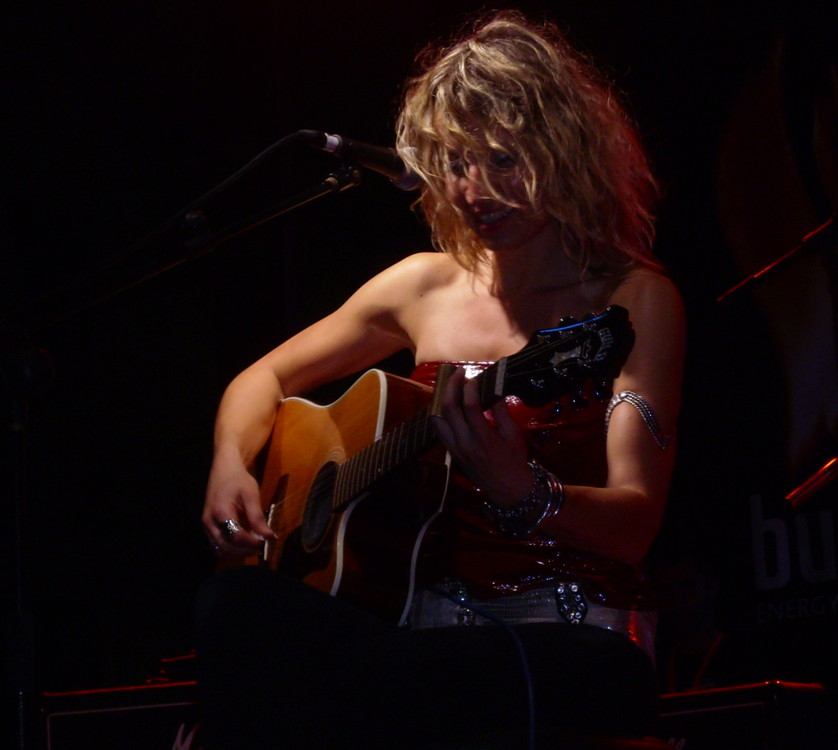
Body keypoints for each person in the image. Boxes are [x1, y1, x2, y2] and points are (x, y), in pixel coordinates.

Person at [195, 10, 685, 749]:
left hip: (566, 630)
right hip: (412, 629)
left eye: (502, 160)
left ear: (563, 152)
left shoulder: (630, 301)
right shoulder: (420, 286)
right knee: (237, 604)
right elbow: (259, 378)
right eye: (454, 162)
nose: (473, 188)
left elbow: (636, 522)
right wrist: (231, 465)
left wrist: (521, 489)